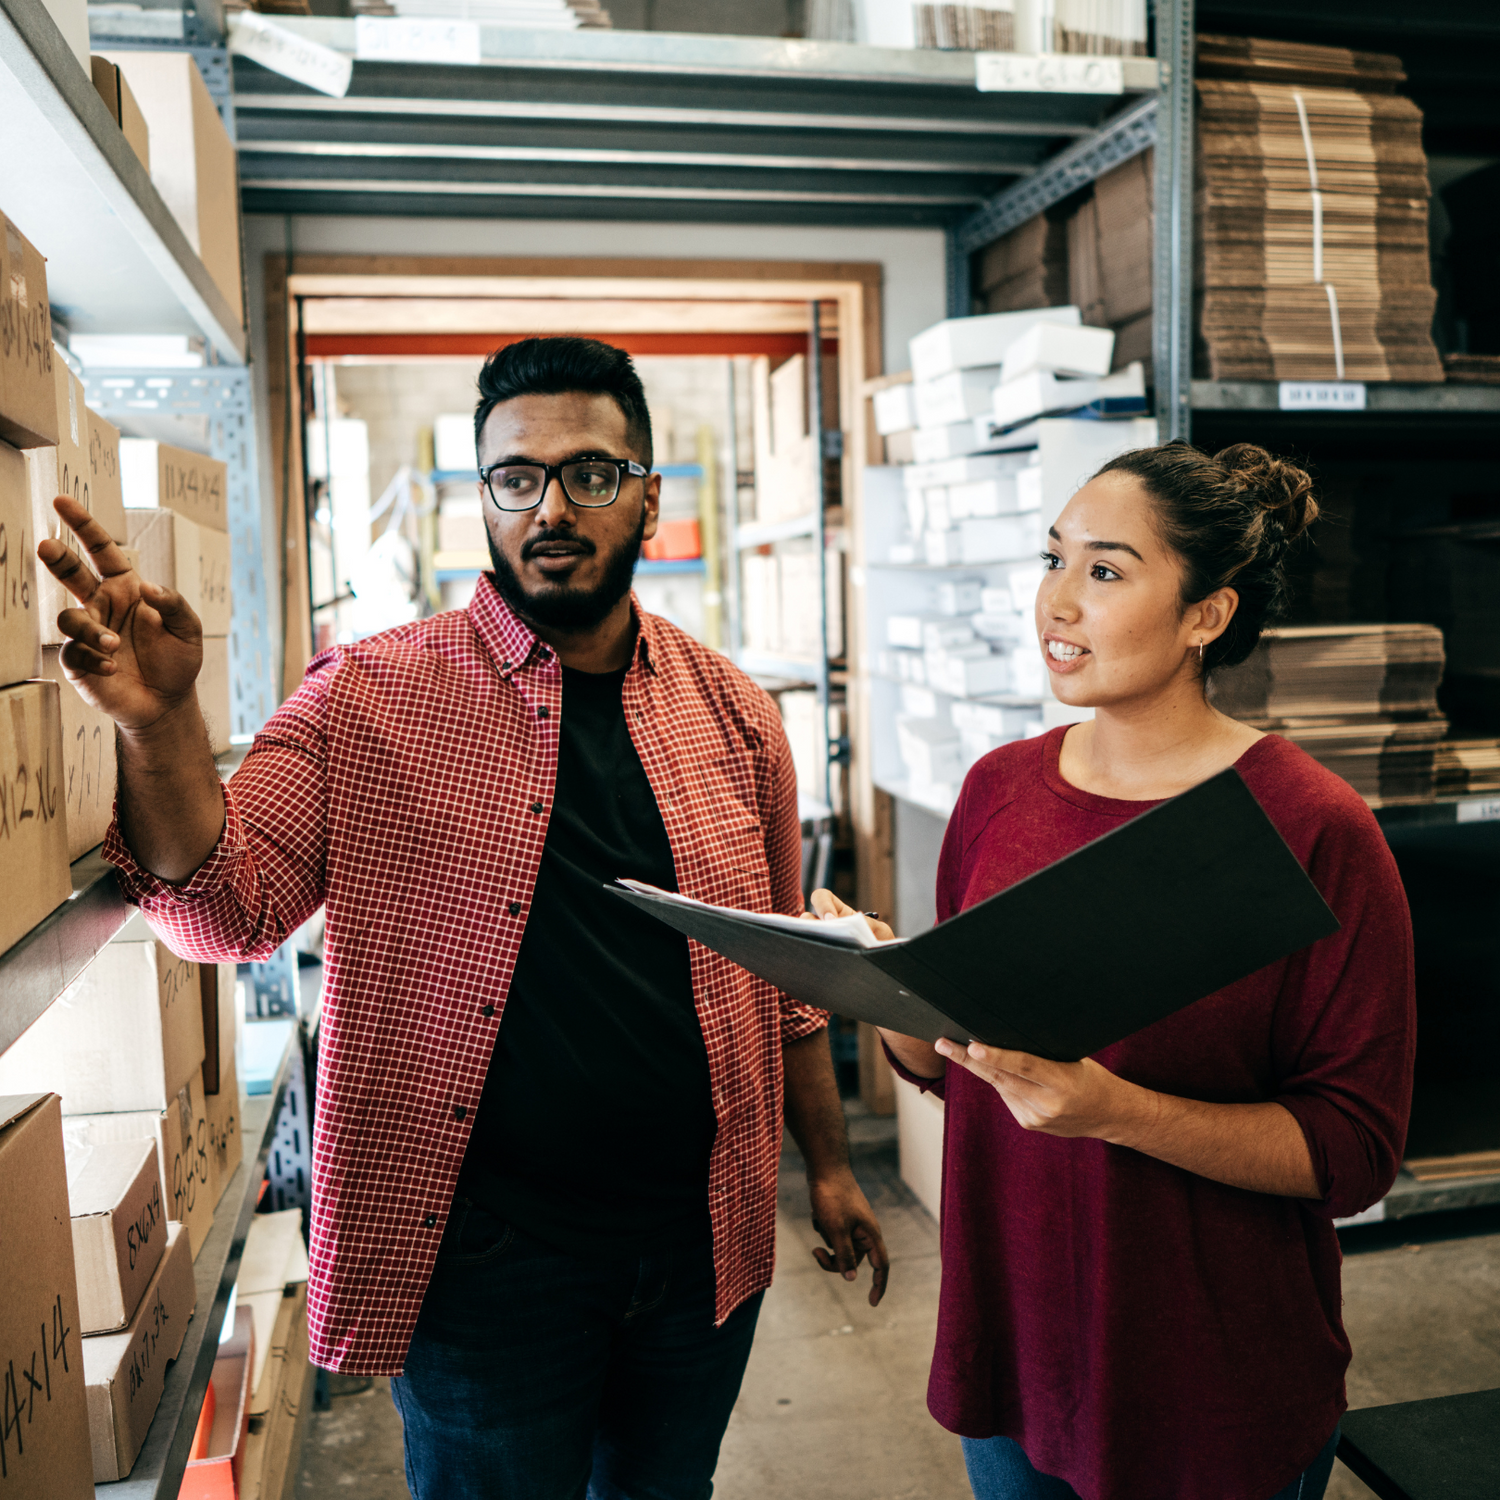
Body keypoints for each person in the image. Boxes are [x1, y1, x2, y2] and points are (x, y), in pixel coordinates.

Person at [39, 336, 888, 1500]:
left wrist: (830, 1168)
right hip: (487, 1267)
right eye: (516, 478)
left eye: (592, 475)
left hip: (702, 1242)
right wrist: (159, 725)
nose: (552, 508)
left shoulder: (735, 714)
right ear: (482, 499)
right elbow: (223, 913)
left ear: (647, 496)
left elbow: (789, 976)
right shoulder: (367, 696)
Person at [812, 441, 1415, 1500]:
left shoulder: (1311, 827)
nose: (1057, 601)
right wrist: (874, 981)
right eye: (1054, 559)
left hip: (1211, 1379)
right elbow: (960, 1067)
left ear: (1205, 616)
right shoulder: (999, 790)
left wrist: (1117, 1112)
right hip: (1018, 1353)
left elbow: (1354, 1151)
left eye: (1104, 570)